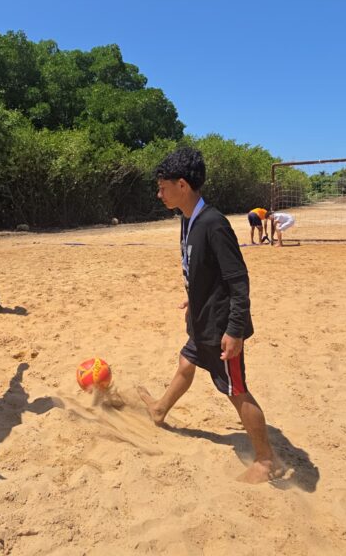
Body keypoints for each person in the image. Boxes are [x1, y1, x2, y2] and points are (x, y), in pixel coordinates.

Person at [137, 147, 285, 484]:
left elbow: (238, 279)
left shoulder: (214, 223)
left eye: (163, 187)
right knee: (186, 362)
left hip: (221, 329)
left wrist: (235, 330)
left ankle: (267, 461)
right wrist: (194, 297)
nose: (159, 194)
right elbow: (203, 269)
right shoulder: (187, 219)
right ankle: (160, 409)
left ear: (182, 185)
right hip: (202, 318)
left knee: (236, 390)